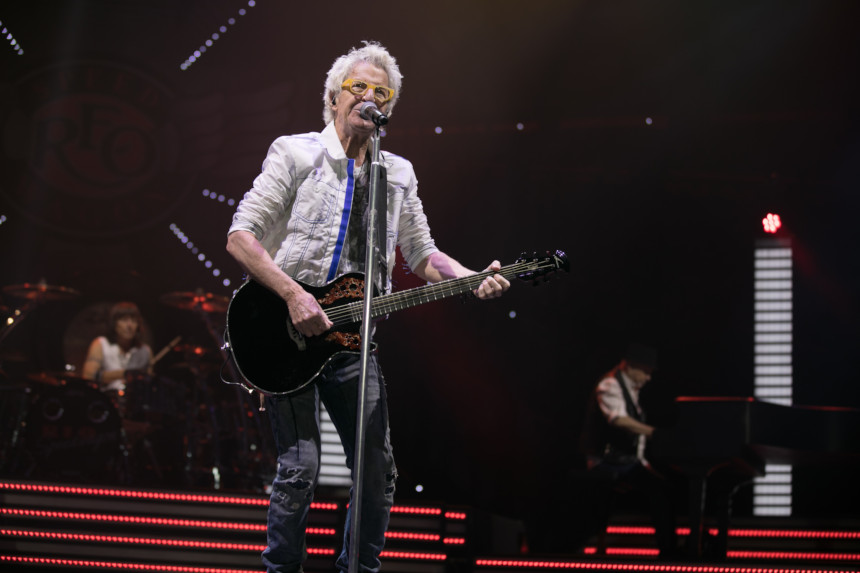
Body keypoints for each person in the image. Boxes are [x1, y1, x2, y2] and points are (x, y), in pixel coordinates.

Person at [225, 41, 510, 573]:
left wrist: (472, 278)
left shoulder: (397, 173)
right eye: (359, 87)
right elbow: (241, 236)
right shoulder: (295, 152)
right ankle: (281, 569)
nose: (369, 97)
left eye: (382, 92)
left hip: (353, 340)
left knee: (377, 469)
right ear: (334, 96)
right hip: (283, 329)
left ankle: (360, 569)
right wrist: (293, 294)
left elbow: (423, 255)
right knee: (301, 467)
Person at [579, 343, 678, 559]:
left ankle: (669, 548)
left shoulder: (630, 389)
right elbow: (618, 420)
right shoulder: (610, 384)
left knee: (665, 487)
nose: (648, 378)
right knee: (659, 491)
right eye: (646, 371)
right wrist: (655, 433)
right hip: (606, 459)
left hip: (625, 459)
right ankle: (669, 552)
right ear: (631, 366)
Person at [82, 302, 153, 390]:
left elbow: (149, 385)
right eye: (124, 320)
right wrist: (125, 374)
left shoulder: (145, 351)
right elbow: (88, 377)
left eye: (134, 321)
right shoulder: (101, 344)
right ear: (114, 323)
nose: (129, 325)